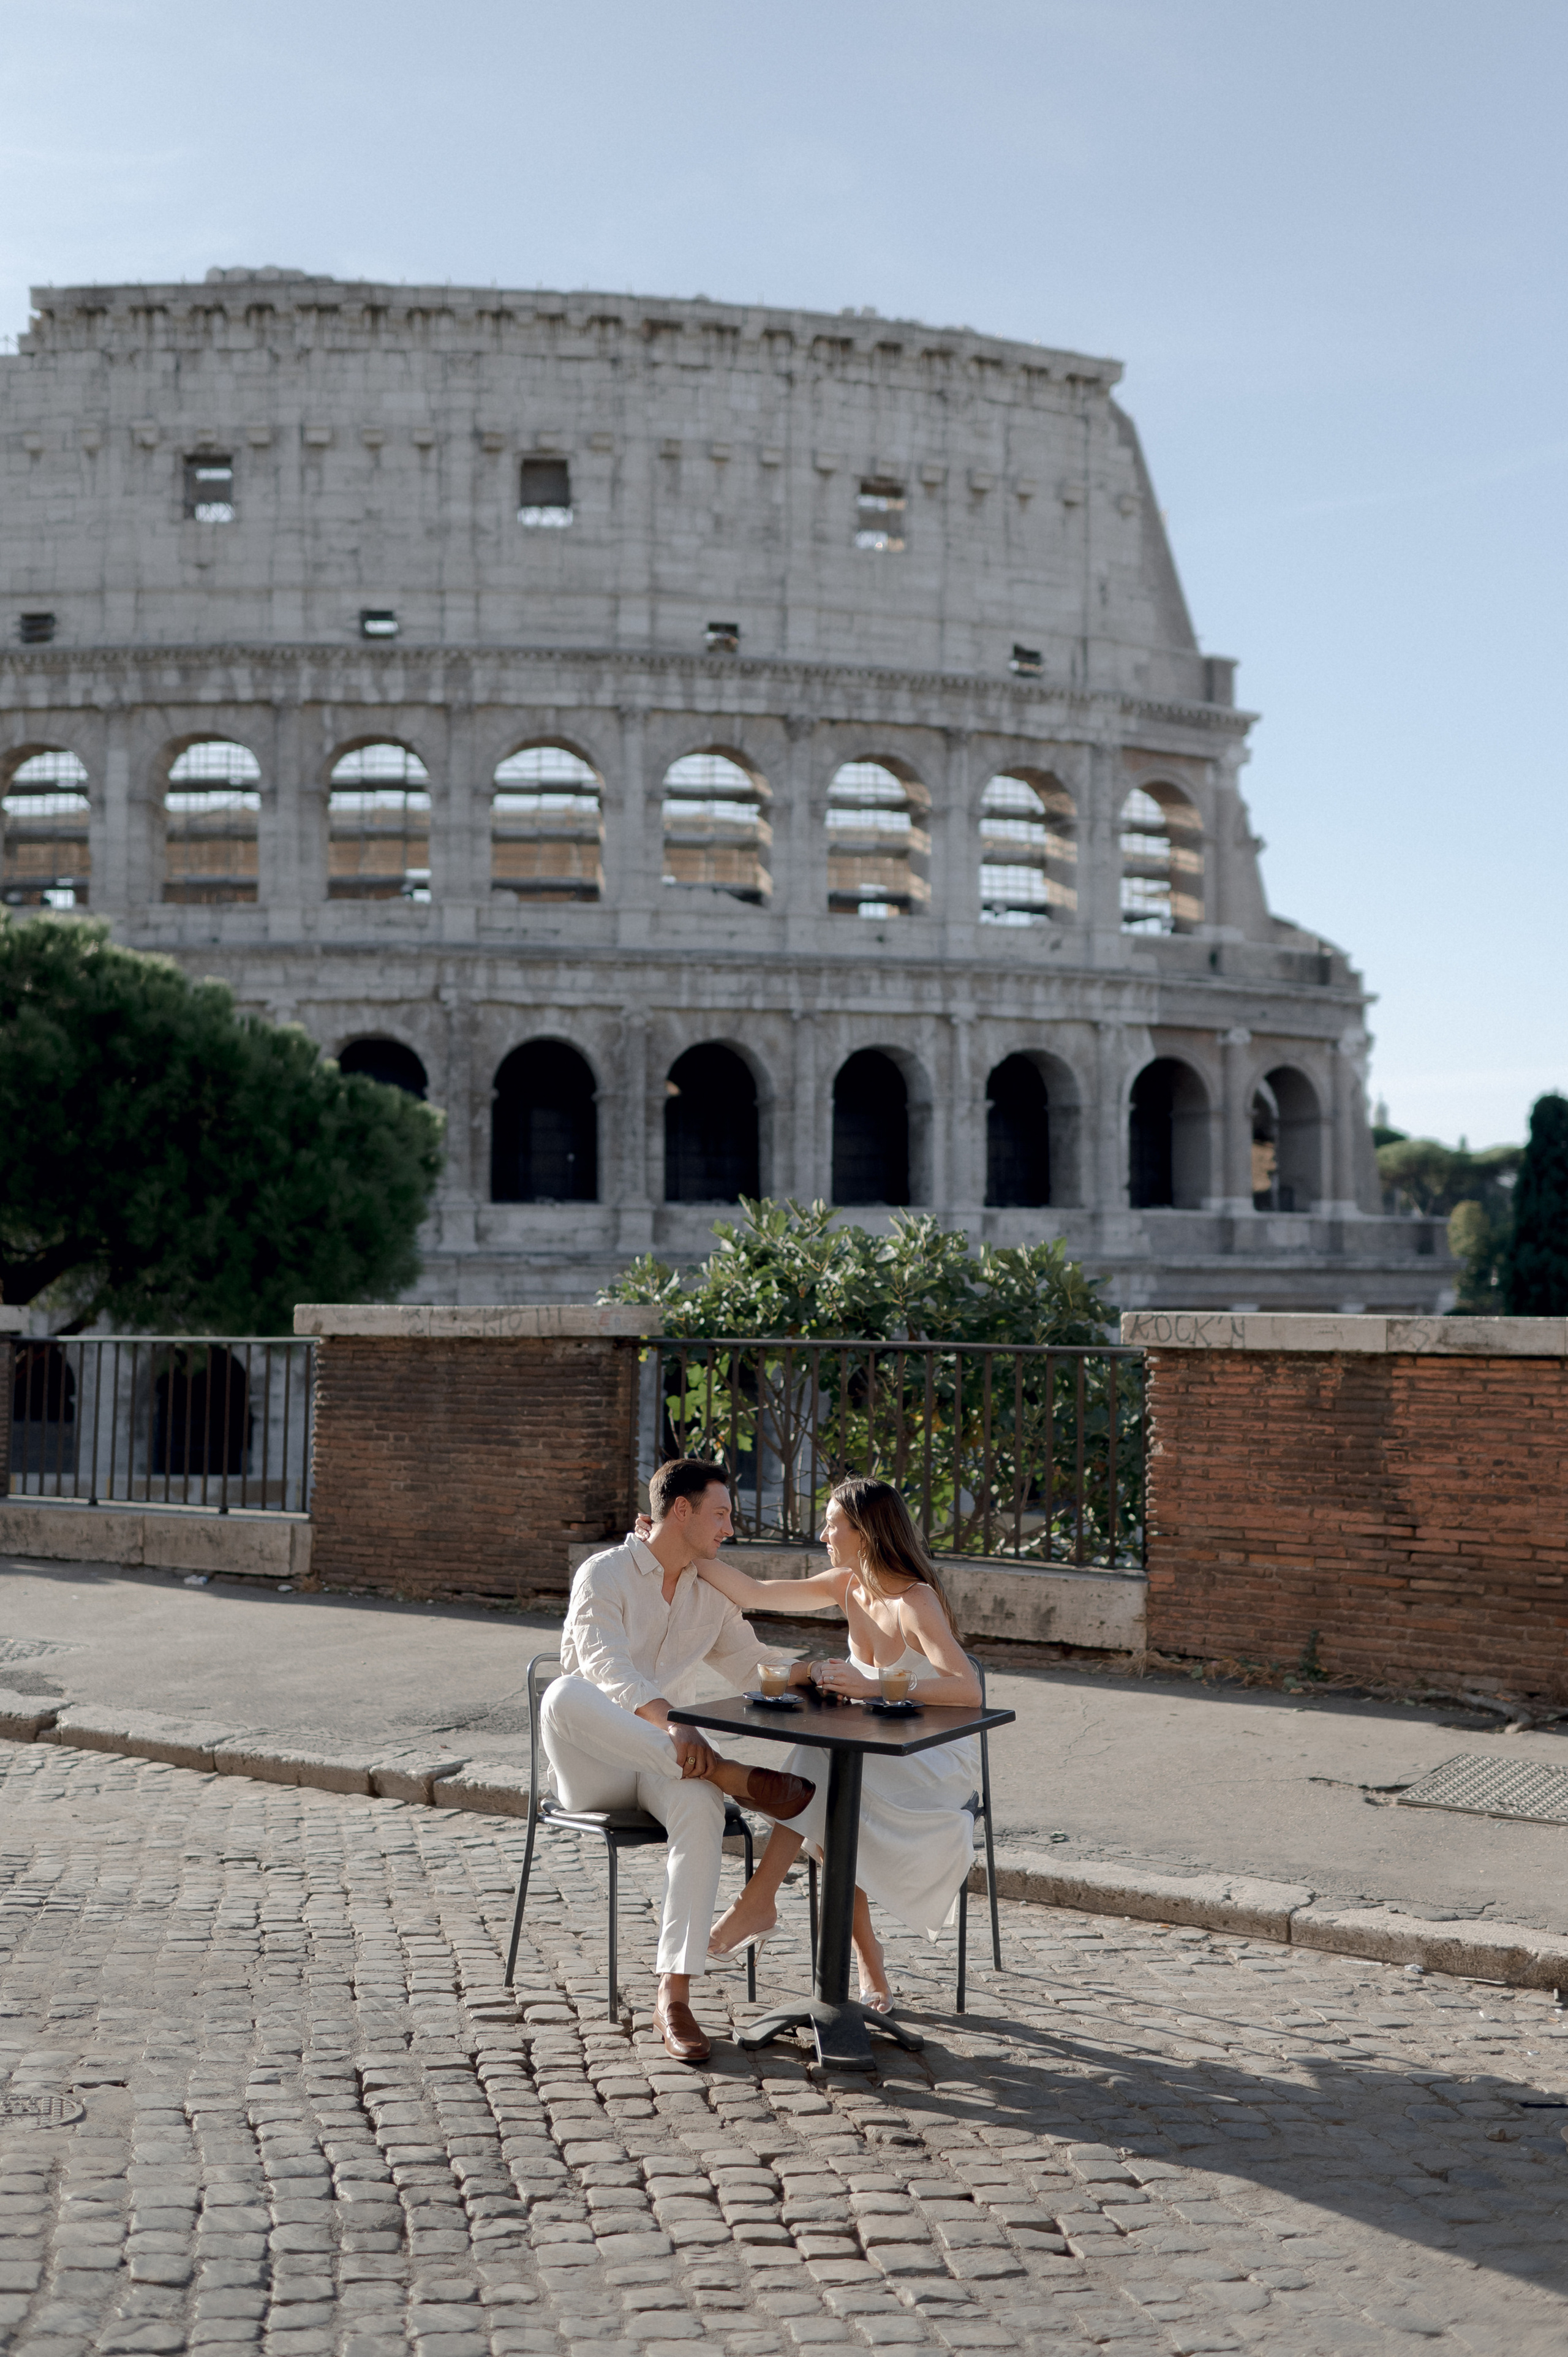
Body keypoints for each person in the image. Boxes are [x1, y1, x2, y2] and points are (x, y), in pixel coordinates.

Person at [541, 1457, 817, 2065]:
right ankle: (727, 1773)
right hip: (594, 1763)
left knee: (698, 1802)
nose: (729, 1528)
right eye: (720, 1513)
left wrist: (815, 1673)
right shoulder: (604, 1574)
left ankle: (675, 1994)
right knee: (564, 1692)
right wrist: (674, 1722)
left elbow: (752, 1668)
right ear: (682, 1510)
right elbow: (607, 1671)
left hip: (669, 1766)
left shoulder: (708, 1593)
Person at [695, 1477, 982, 2011]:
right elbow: (754, 1592)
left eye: (833, 1523)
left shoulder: (914, 1600)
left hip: (929, 1762)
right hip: (864, 1754)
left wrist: (875, 1686)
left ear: (866, 1532)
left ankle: (758, 1904)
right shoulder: (847, 1584)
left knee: (818, 1775)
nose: (823, 1532)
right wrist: (680, 1548)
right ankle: (867, 1968)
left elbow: (968, 1690)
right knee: (827, 1796)